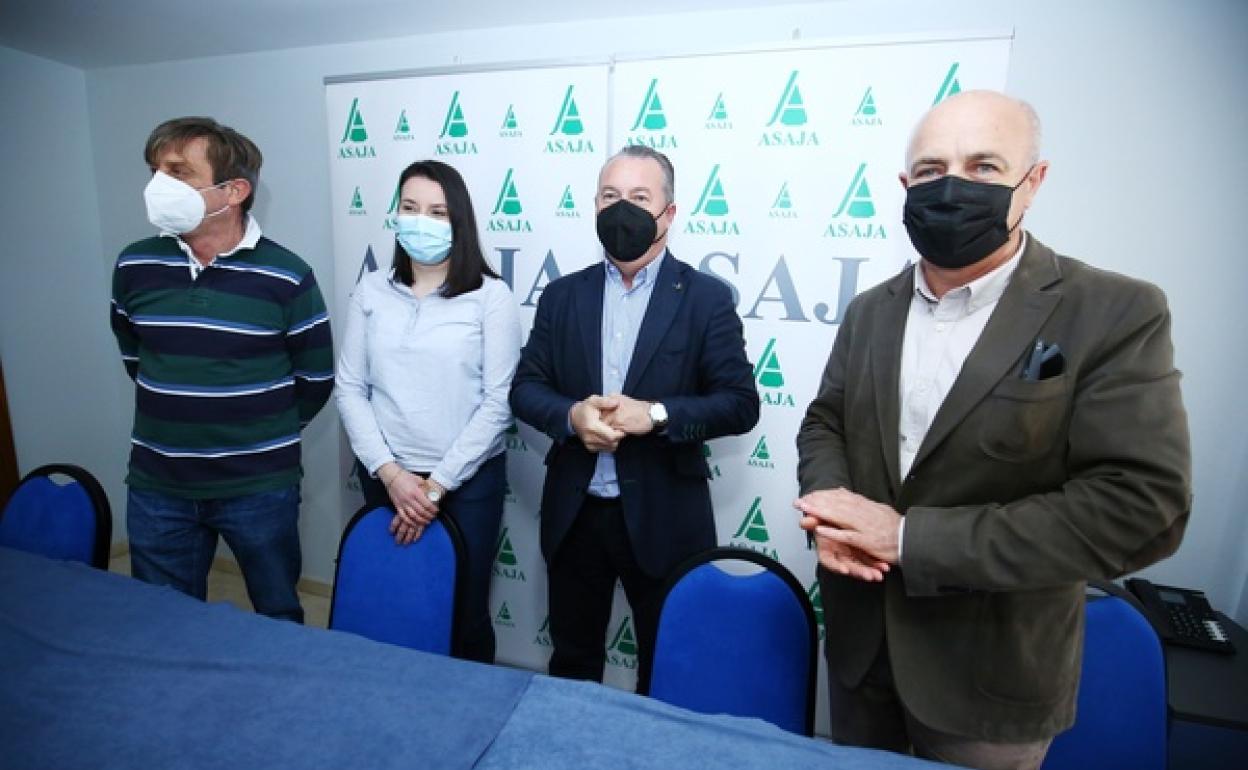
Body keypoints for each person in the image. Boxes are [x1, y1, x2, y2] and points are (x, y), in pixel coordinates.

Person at [794, 89, 1192, 770]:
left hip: (988, 682)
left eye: (983, 167)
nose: (952, 186)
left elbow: (1140, 506)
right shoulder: (870, 311)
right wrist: (833, 511)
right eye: (931, 170)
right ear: (906, 186)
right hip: (861, 655)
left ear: (1032, 182)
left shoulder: (1115, 311)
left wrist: (908, 539)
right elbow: (825, 420)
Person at [510, 145, 759, 685]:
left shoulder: (706, 299)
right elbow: (525, 389)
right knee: (572, 668)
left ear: (669, 213)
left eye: (639, 198)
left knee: (669, 670)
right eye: (610, 196)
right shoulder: (561, 296)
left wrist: (657, 415)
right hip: (576, 516)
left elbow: (740, 404)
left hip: (666, 516)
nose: (621, 209)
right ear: (595, 207)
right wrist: (572, 416)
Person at [110, 117, 333, 623]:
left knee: (276, 615)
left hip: (259, 486)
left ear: (233, 191)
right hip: (159, 484)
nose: (158, 184)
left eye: (178, 172)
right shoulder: (134, 265)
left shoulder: (287, 274)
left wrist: (260, 431)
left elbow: (315, 379)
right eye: (154, 171)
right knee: (162, 621)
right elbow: (135, 356)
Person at [336, 159, 521, 664]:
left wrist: (435, 487)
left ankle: (470, 705)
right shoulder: (372, 289)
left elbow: (498, 402)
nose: (422, 221)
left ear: (459, 220)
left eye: (438, 212)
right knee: (395, 606)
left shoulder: (491, 297)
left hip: (466, 484)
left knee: (463, 615)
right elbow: (350, 387)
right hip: (386, 478)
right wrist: (392, 475)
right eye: (410, 207)